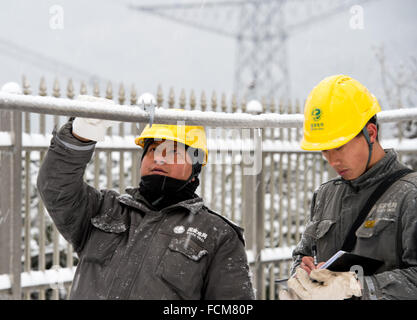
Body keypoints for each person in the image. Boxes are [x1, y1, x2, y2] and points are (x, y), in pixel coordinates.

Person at [37, 94, 255, 300]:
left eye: (172, 152)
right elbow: (55, 186)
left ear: (194, 168)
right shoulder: (105, 210)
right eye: (152, 150)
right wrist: (79, 135)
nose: (158, 159)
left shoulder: (217, 235)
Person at [279, 75, 417, 300]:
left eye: (339, 147)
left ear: (370, 133)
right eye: (324, 150)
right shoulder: (325, 194)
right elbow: (302, 254)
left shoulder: (410, 194)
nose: (332, 161)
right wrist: (303, 272)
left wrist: (356, 286)